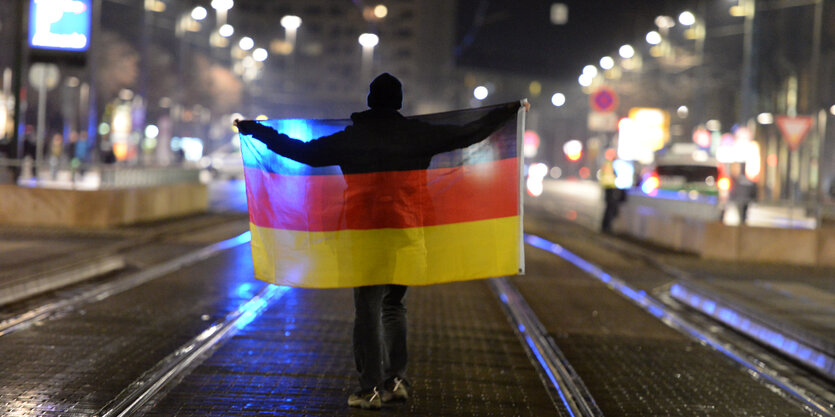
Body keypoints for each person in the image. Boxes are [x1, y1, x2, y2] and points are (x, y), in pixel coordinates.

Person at [236, 73, 524, 410]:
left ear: (370, 101)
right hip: (406, 229)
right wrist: (508, 111)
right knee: (394, 306)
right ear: (399, 102)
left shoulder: (353, 137)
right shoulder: (418, 135)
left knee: (368, 310)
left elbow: (301, 152)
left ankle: (369, 389)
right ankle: (396, 380)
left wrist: (255, 129)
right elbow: (467, 133)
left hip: (364, 231)